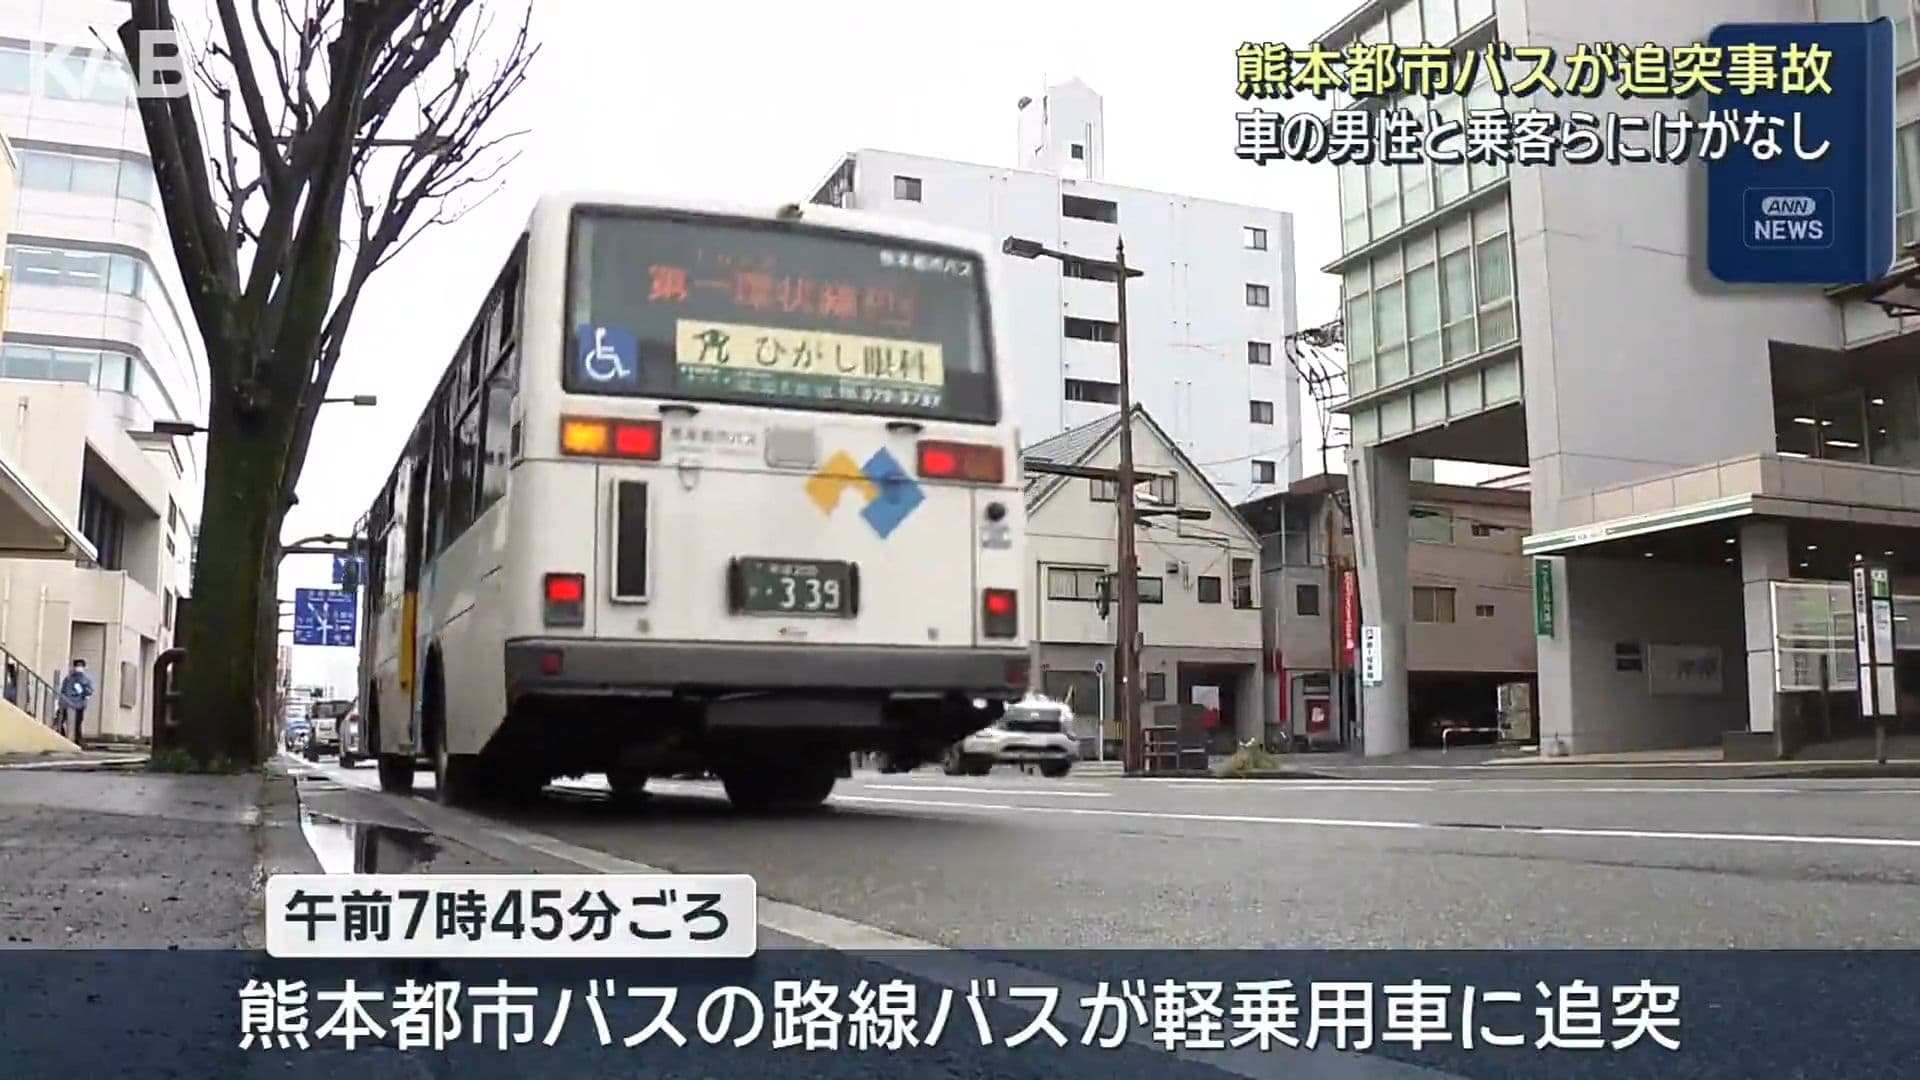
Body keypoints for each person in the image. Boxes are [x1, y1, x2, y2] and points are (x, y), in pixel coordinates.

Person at [58, 659, 94, 744]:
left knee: (77, 723)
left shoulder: (86, 679)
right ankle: (63, 737)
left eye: (81, 666)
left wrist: (84, 698)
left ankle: (78, 740)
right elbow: (64, 691)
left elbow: (89, 692)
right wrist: (62, 702)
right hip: (67, 704)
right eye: (77, 666)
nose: (79, 668)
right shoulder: (69, 679)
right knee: (62, 721)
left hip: (79, 704)